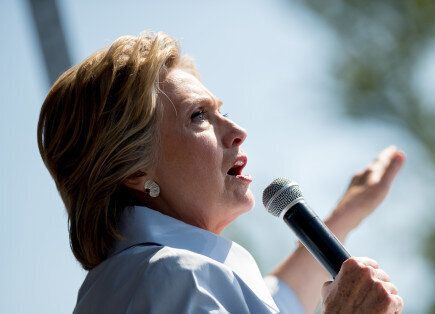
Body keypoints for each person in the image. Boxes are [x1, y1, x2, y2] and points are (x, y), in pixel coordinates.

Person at [37, 31, 405, 313]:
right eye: (198, 116)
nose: (238, 131)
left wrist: (346, 214)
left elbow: (278, 297)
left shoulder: (149, 277)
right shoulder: (172, 276)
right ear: (133, 168)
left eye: (222, 113)